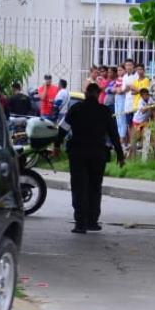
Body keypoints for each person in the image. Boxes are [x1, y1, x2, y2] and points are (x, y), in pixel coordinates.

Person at [57, 82, 125, 234]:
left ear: (86, 93)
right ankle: (92, 222)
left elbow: (63, 129)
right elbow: (114, 134)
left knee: (79, 187)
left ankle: (80, 223)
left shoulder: (76, 109)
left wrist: (56, 145)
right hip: (97, 154)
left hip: (78, 153)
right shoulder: (104, 111)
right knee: (95, 187)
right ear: (98, 94)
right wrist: (120, 155)